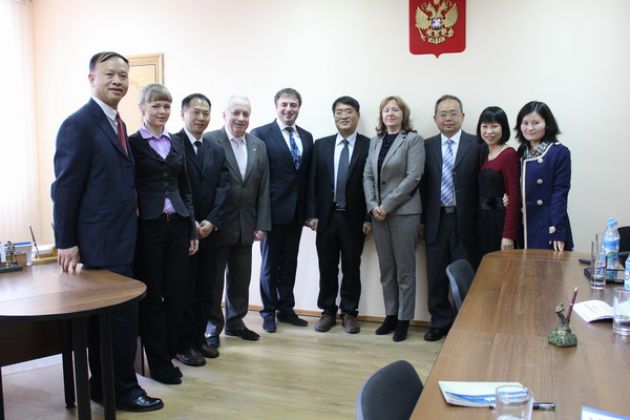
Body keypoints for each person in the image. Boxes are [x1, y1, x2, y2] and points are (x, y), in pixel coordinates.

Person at [51, 51, 162, 411]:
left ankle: (102, 385)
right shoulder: (78, 124)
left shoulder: (117, 123)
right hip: (100, 242)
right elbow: (66, 187)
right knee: (118, 319)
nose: (117, 81)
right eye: (109, 74)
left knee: (115, 320)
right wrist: (67, 241)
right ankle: (123, 390)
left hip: (123, 237)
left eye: (123, 76)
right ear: (91, 79)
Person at [129, 84, 198, 385]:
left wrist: (192, 227)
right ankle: (157, 363)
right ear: (142, 108)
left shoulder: (177, 142)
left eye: (166, 106)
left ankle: (171, 352)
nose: (162, 111)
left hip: (178, 224)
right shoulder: (133, 143)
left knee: (177, 294)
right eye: (156, 105)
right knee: (153, 296)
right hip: (150, 227)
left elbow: (185, 188)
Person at [203, 96, 271, 343]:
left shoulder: (258, 145)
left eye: (245, 114)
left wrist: (262, 223)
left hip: (246, 224)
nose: (241, 118)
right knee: (213, 279)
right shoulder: (210, 140)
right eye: (236, 113)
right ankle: (212, 326)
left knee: (241, 277)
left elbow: (263, 187)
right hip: (217, 224)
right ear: (225, 115)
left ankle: (235, 322)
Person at [306, 96, 371, 334]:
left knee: (352, 267)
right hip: (326, 217)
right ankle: (327, 311)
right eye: (339, 112)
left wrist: (368, 217)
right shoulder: (321, 145)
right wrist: (311, 214)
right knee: (327, 267)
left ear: (358, 116)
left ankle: (350, 313)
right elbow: (312, 182)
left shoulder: (369, 145)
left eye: (349, 111)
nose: (344, 116)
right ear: (334, 116)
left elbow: (373, 184)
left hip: (354, 218)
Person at [173, 93, 229, 366]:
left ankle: (198, 339)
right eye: (195, 112)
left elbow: (224, 188)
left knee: (207, 289)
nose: (201, 117)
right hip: (184, 232)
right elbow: (173, 187)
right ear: (183, 114)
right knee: (185, 290)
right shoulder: (172, 144)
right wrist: (192, 221)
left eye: (206, 113)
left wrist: (212, 220)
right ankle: (182, 343)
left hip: (211, 232)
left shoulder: (215, 148)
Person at [363, 96, 425, 342]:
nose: (390, 113)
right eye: (386, 110)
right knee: (387, 268)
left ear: (403, 114)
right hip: (378, 215)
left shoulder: (413, 140)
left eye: (395, 109)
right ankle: (390, 314)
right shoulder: (375, 141)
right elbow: (367, 175)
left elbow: (413, 177)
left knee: (405, 270)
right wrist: (373, 206)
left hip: (404, 213)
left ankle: (403, 319)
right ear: (381, 115)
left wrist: (387, 205)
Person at [251, 88, 313, 333]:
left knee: (289, 263)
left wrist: (309, 212)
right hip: (271, 212)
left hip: (296, 213)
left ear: (299, 108)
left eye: (293, 105)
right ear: (276, 106)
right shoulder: (260, 134)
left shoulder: (306, 136)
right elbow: (256, 177)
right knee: (269, 265)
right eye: (284, 104)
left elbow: (306, 177)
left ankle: (286, 309)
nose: (289, 109)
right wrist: (258, 217)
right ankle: (268, 312)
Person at [422, 94, 481, 342]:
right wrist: (421, 221)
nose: (448, 118)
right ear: (435, 118)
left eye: (453, 113)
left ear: (463, 116)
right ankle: (439, 322)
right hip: (436, 220)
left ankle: (463, 324)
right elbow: (421, 186)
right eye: (443, 114)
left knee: (463, 274)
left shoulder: (477, 144)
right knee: (435, 275)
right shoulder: (426, 146)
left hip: (465, 220)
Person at [515, 101, 573, 251]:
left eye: (536, 123)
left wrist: (557, 230)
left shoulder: (559, 152)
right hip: (523, 224)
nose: (529, 128)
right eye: (525, 123)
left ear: (547, 124)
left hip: (547, 224)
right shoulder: (521, 152)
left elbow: (560, 193)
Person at [476, 106, 521, 257]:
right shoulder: (484, 153)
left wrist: (508, 234)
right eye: (485, 126)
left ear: (503, 128)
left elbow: (514, 196)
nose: (489, 131)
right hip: (483, 222)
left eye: (494, 126)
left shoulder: (508, 154)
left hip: (500, 222)